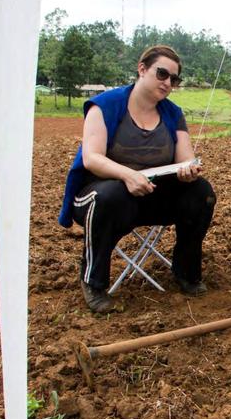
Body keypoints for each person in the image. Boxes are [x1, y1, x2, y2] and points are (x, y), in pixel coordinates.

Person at [57, 45, 216, 313]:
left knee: (201, 192)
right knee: (110, 195)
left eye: (174, 80)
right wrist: (127, 175)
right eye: (162, 74)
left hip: (151, 195)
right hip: (102, 196)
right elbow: (92, 158)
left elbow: (186, 158)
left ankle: (186, 272)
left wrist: (189, 171)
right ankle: (93, 281)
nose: (167, 83)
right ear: (142, 69)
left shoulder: (173, 113)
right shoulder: (105, 105)